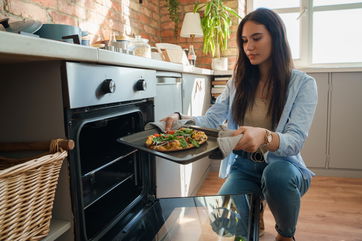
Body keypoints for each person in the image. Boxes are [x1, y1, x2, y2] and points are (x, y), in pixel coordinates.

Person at [162, 8, 317, 241]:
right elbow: (212, 119)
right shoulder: (237, 82)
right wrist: (181, 120)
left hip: (284, 167)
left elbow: (294, 141)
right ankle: (255, 209)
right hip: (244, 167)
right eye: (244, 40)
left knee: (276, 176)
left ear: (276, 37)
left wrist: (264, 136)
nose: (249, 47)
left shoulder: (303, 84)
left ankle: (285, 235)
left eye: (257, 38)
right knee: (223, 223)